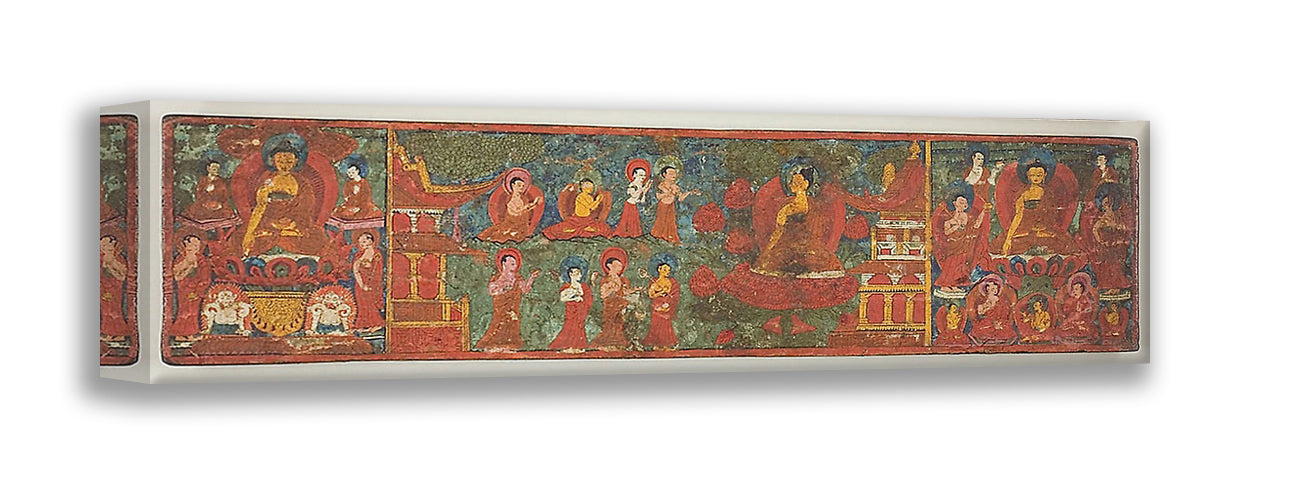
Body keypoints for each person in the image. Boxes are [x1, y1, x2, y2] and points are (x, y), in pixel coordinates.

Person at [239, 141, 330, 257]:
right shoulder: (267, 180)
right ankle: (279, 234)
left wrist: (294, 223)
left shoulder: (302, 182)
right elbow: (260, 208)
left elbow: (306, 208)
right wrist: (250, 233)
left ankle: (278, 234)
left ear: (295, 162)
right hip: (270, 223)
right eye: (280, 161)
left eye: (289, 161)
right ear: (273, 161)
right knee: (240, 238)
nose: (284, 165)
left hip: (294, 224)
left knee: (317, 238)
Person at [753, 169, 844, 277]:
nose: (795, 184)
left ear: (806, 184)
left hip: (810, 249)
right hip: (788, 249)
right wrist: (768, 251)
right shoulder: (787, 205)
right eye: (793, 181)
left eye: (798, 181)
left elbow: (818, 231)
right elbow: (779, 230)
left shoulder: (813, 205)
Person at [991, 162, 1079, 255]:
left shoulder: (1048, 193)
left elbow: (1051, 216)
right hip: (1025, 228)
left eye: (1039, 175)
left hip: (1044, 229)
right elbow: (1018, 216)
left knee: (1061, 242)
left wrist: (1043, 227)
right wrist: (1008, 238)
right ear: (1028, 176)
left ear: (1044, 175)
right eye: (1033, 175)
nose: (1036, 178)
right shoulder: (1024, 194)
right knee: (1011, 242)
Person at [476, 249, 540, 351]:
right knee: (498, 324)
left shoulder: (518, 278)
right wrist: (502, 288)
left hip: (513, 308)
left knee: (512, 325)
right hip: (501, 308)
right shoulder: (497, 278)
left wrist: (531, 278)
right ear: (504, 263)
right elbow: (492, 291)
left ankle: (510, 344)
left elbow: (525, 290)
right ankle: (494, 344)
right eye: (511, 262)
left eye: (515, 263)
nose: (514, 264)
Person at [932, 190, 991, 288]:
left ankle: (956, 285)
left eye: (964, 203)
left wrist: (983, 212)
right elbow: (946, 232)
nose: (962, 204)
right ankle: (946, 285)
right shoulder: (950, 216)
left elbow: (976, 225)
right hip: (953, 246)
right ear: (955, 204)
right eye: (960, 202)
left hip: (964, 245)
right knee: (952, 264)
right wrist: (955, 226)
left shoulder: (968, 217)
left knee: (961, 266)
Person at [478, 169, 544, 243]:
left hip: (521, 227)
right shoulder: (510, 199)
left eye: (523, 186)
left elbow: (527, 208)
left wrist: (535, 203)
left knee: (516, 235)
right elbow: (516, 211)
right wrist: (530, 205)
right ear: (513, 185)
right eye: (519, 185)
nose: (521, 188)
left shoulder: (524, 199)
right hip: (510, 225)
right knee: (503, 234)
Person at [549, 257, 596, 351]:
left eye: (580, 273)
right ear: (570, 274)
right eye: (576, 273)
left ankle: (578, 346)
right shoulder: (567, 287)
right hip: (571, 311)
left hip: (580, 311)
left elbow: (589, 297)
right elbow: (562, 298)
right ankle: (567, 345)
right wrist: (574, 298)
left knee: (579, 328)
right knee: (569, 327)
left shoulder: (583, 286)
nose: (579, 275)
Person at [591, 247, 634, 350]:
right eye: (617, 265)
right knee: (610, 325)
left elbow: (625, 292)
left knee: (619, 325)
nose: (620, 267)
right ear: (609, 266)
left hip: (621, 306)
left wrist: (635, 290)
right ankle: (607, 343)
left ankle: (618, 343)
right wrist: (612, 289)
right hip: (610, 306)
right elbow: (603, 295)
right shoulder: (606, 279)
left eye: (621, 265)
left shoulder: (623, 280)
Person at [542, 178, 614, 240]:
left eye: (592, 187)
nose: (591, 189)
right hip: (576, 220)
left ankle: (581, 229)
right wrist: (598, 200)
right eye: (588, 186)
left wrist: (598, 200)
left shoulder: (590, 197)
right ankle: (579, 229)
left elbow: (593, 208)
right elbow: (590, 207)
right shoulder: (580, 197)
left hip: (587, 220)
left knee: (604, 228)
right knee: (559, 229)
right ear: (582, 187)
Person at [171, 234, 211, 340]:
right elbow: (176, 275)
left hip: (196, 289)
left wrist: (198, 289)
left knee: (193, 312)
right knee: (183, 311)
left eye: (197, 244)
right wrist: (188, 268)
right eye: (193, 244)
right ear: (186, 244)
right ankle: (179, 334)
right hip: (184, 289)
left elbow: (205, 275)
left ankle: (190, 334)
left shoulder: (201, 259)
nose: (196, 246)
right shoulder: (181, 258)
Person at [650, 163, 699, 244]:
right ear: (664, 175)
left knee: (671, 222)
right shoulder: (661, 186)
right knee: (661, 221)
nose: (674, 175)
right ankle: (658, 236)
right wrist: (668, 193)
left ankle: (670, 238)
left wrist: (690, 192)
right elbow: (658, 196)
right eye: (671, 173)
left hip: (671, 206)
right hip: (663, 206)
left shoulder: (675, 187)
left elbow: (680, 198)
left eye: (675, 173)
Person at [641, 259, 680, 349]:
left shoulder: (672, 282)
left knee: (666, 324)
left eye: (668, 270)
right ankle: (656, 345)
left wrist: (668, 303)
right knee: (656, 324)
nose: (667, 272)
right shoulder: (655, 282)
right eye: (665, 270)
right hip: (657, 306)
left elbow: (674, 295)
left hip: (667, 306)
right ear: (659, 269)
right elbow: (651, 295)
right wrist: (660, 292)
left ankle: (667, 344)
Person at [967, 275, 1016, 345]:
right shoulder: (984, 300)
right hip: (987, 322)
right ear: (987, 289)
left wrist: (1000, 322)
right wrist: (986, 306)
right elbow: (980, 313)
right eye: (991, 288)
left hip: (1000, 322)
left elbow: (1005, 313)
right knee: (979, 329)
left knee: (1007, 330)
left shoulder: (1001, 301)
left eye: (995, 288)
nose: (993, 290)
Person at [350, 232, 385, 332]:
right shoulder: (359, 255)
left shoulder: (377, 254)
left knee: (371, 303)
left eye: (364, 241)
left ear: (370, 241)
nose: (361, 244)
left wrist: (373, 283)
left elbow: (378, 271)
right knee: (362, 304)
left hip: (373, 283)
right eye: (360, 242)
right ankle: (363, 325)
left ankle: (376, 324)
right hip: (360, 282)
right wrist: (362, 284)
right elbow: (355, 270)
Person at [100, 234, 131, 341]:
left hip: (114, 289)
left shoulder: (117, 259)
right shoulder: (101, 257)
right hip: (103, 288)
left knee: (115, 311)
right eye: (102, 245)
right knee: (105, 311)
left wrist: (110, 267)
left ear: (112, 246)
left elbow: (122, 276)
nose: (103, 247)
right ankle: (108, 333)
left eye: (105, 245)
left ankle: (119, 334)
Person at [613, 159, 652, 238]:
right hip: (629, 204)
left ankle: (634, 233)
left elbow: (642, 201)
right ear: (634, 175)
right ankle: (624, 233)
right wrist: (642, 190)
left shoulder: (640, 186)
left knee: (634, 220)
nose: (643, 177)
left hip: (634, 205)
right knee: (626, 220)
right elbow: (633, 195)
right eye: (641, 175)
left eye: (644, 175)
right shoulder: (632, 185)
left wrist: (644, 192)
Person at [1056, 274, 1099, 344]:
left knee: (1087, 330)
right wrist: (1072, 308)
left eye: (1076, 289)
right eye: (1073, 289)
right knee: (1065, 330)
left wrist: (1083, 310)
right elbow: (1065, 310)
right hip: (1071, 320)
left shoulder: (1084, 299)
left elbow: (1089, 308)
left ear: (1081, 289)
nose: (1074, 291)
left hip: (1082, 320)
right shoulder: (1070, 299)